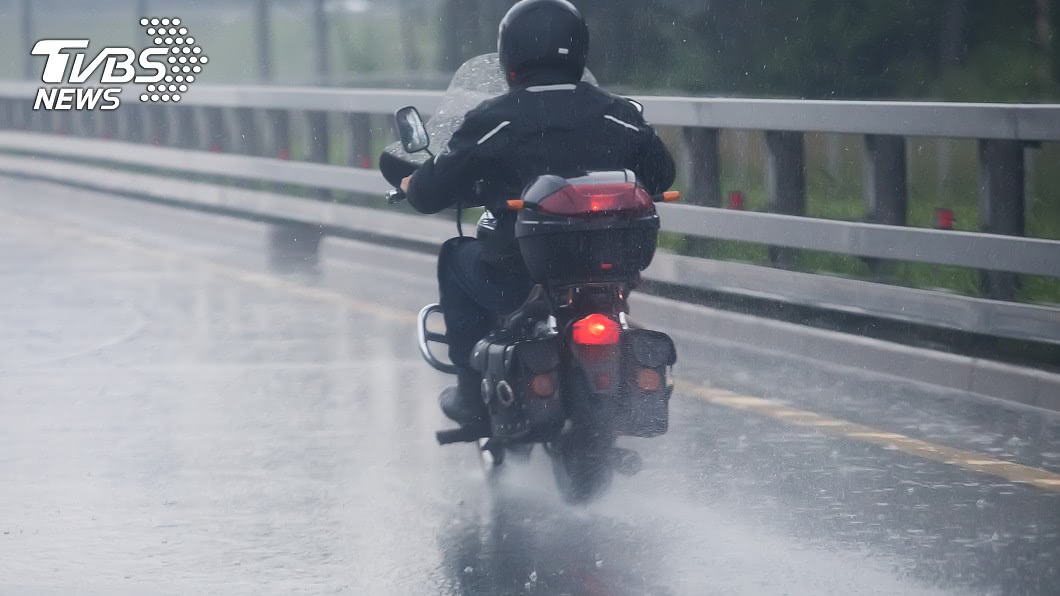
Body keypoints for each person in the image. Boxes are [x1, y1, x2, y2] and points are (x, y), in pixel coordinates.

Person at [401, 0, 676, 427]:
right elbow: (661, 174)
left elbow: (430, 191)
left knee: (455, 257)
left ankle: (471, 395)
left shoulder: (494, 119)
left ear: (510, 54)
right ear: (579, 49)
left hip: (519, 271)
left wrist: (412, 185)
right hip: (609, 268)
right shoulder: (619, 113)